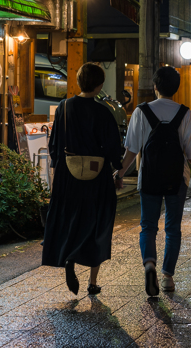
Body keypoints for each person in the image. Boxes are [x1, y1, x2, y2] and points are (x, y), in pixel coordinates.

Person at [116, 67, 191, 296]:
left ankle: (149, 264)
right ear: (176, 88)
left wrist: (119, 173)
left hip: (148, 178)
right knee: (173, 228)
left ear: (155, 87)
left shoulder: (141, 112)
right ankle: (167, 276)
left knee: (148, 225)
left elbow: (131, 150)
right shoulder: (186, 114)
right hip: (177, 180)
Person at [42, 63, 125, 296]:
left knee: (70, 219)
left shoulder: (64, 108)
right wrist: (117, 173)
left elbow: (55, 145)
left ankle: (69, 256)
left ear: (78, 82)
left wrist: (56, 172)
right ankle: (92, 282)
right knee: (98, 223)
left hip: (68, 175)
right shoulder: (103, 112)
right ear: (100, 86)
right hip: (97, 177)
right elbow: (112, 147)